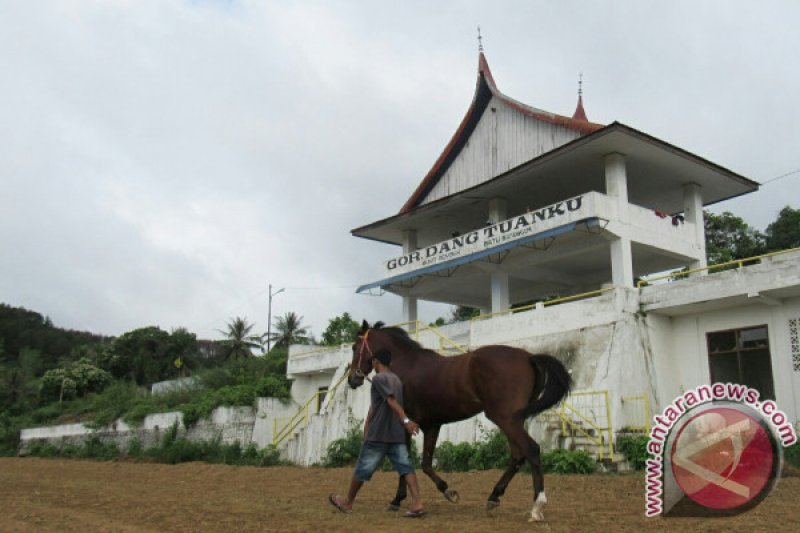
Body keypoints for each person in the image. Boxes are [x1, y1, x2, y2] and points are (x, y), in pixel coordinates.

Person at [328, 348, 424, 518]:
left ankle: (348, 502)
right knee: (406, 467)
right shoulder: (396, 380)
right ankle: (417, 503)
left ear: (375, 362)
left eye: (372, 362)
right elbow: (377, 405)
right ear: (390, 363)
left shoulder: (379, 378)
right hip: (396, 435)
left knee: (363, 468)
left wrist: (406, 421)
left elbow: (391, 401)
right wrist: (367, 423)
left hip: (379, 435)